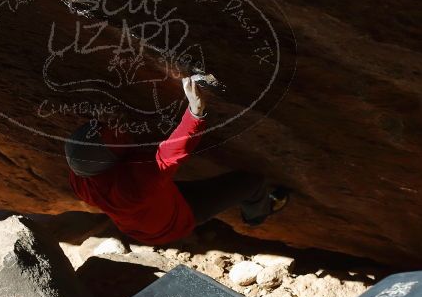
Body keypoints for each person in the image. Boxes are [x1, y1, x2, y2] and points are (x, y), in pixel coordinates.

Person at [66, 77, 289, 245]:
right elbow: (172, 153)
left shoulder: (82, 176)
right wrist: (195, 111)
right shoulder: (135, 185)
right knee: (250, 182)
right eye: (114, 136)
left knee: (161, 189)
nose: (118, 129)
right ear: (111, 159)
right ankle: (257, 216)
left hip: (148, 215)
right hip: (175, 221)